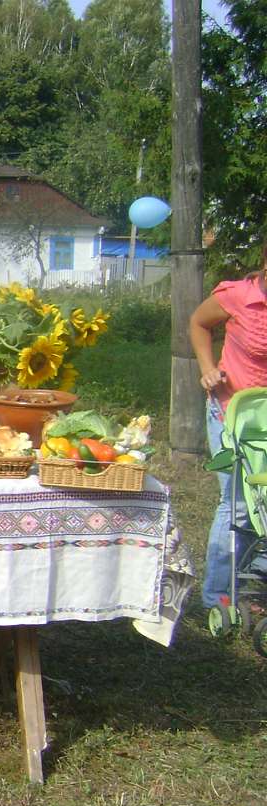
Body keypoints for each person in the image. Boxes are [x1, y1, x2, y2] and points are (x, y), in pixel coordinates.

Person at [189, 237, 267, 609]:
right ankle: (218, 595)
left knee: (265, 503)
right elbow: (199, 324)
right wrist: (207, 369)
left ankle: (253, 588)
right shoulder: (239, 296)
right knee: (238, 502)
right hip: (231, 412)